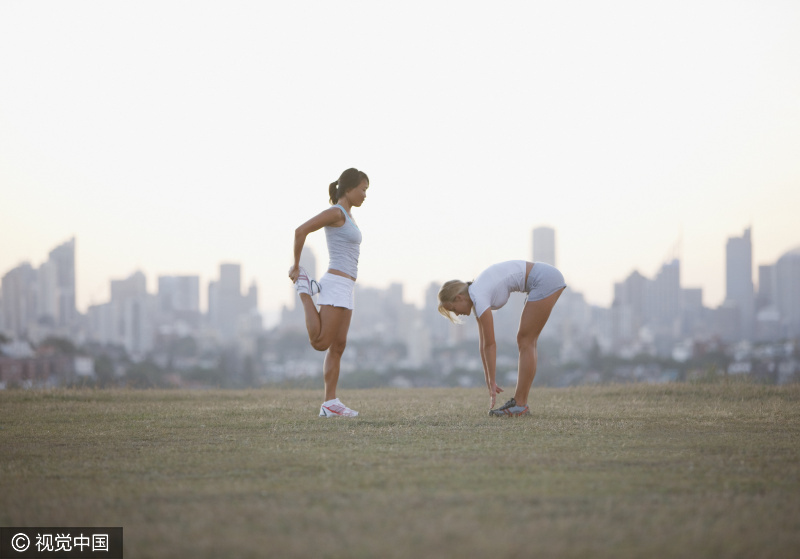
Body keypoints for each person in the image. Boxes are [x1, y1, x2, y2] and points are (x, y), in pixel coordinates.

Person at [288, 168, 369, 418]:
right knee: (321, 343)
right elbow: (300, 231)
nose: (365, 195)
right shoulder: (336, 212)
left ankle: (330, 403)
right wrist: (297, 265)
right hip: (334, 283)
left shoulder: (350, 217)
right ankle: (304, 289)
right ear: (348, 189)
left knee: (338, 346)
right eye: (362, 189)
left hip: (346, 288)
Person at [438, 260, 566, 417]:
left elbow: (491, 344)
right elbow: (484, 344)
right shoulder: (477, 295)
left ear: (459, 298)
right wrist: (489, 380)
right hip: (544, 278)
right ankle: (520, 404)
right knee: (526, 340)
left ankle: (520, 405)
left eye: (453, 309)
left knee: (526, 341)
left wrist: (492, 380)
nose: (456, 314)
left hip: (545, 279)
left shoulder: (479, 295)